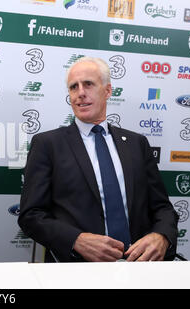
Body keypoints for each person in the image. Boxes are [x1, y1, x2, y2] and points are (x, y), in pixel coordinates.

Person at [18, 57, 178, 262]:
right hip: (76, 269)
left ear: (108, 91)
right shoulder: (48, 144)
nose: (80, 93)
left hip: (138, 267)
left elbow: (162, 208)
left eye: (88, 84)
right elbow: (31, 215)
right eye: (73, 87)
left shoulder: (137, 144)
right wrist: (76, 240)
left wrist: (161, 237)